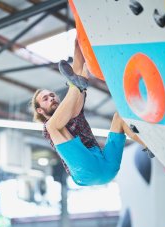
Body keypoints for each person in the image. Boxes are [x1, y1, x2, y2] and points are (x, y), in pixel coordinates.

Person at [31, 38, 153, 186]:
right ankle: (76, 85)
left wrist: (79, 43)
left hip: (107, 165)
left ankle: (149, 146)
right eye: (45, 99)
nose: (51, 98)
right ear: (40, 110)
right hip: (85, 173)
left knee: (119, 117)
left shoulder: (74, 109)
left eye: (52, 95)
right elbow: (58, 123)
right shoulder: (50, 128)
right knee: (53, 126)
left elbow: (77, 67)